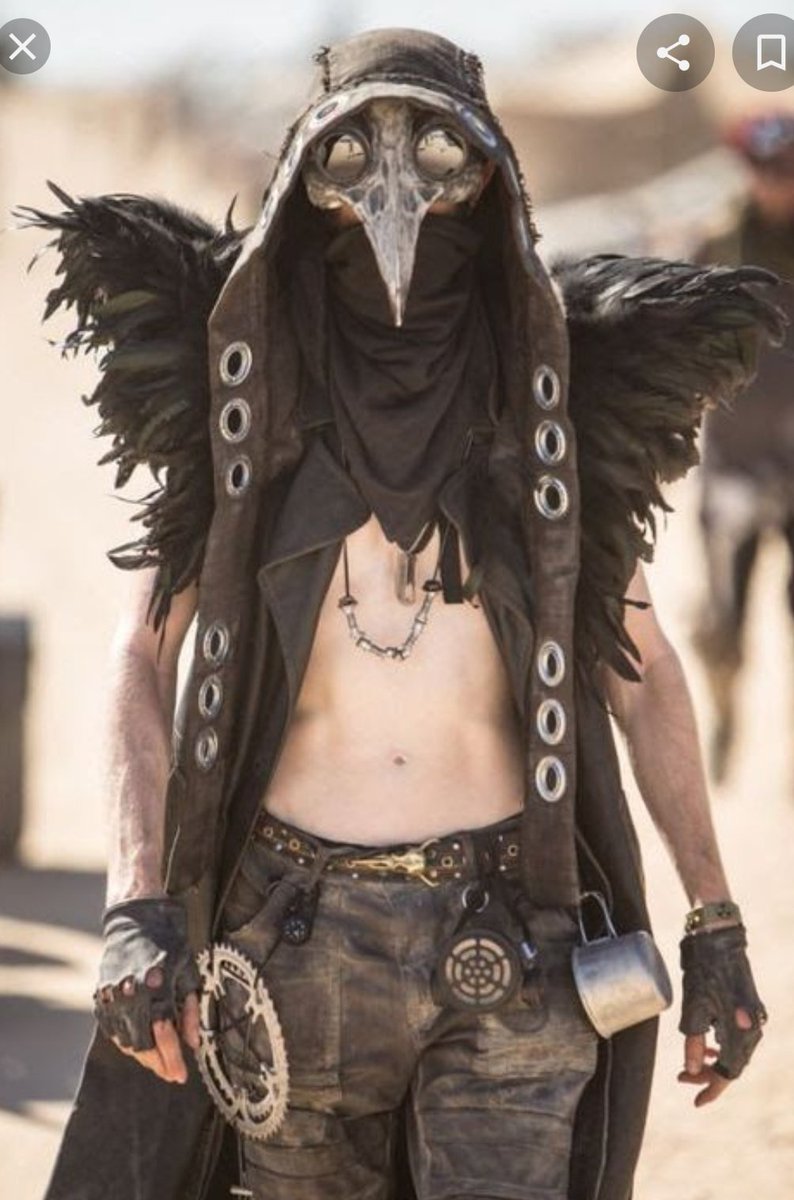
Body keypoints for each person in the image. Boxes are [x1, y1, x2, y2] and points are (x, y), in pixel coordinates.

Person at [21, 30, 777, 1200]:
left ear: (490, 180)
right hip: (288, 937)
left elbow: (638, 667)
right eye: (350, 158)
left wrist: (712, 917)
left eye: (435, 159)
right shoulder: (237, 386)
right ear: (300, 183)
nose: (394, 203)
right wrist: (138, 899)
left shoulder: (552, 400)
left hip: (511, 934)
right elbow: (143, 651)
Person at [693, 113, 794, 782]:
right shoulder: (717, 247)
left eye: (787, 169)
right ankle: (726, 714)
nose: (777, 184)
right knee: (723, 622)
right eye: (765, 170)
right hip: (736, 460)